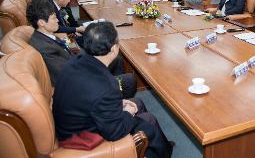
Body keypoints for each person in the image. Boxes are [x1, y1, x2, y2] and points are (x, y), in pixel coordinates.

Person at [52, 22, 173, 158]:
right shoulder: (107, 86)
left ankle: (159, 146)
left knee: (138, 102)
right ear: (115, 49)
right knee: (148, 120)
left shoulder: (75, 62)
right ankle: (164, 152)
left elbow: (91, 99)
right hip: (81, 135)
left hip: (74, 121)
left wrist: (118, 104)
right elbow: (115, 131)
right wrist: (127, 112)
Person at [27, 0, 136, 97]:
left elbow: (67, 56)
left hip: (78, 66)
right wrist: (94, 67)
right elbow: (68, 76)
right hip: (79, 84)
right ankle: (111, 96)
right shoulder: (44, 48)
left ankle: (113, 95)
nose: (57, 21)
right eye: (54, 18)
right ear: (41, 23)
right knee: (130, 80)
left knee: (117, 59)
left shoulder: (45, 36)